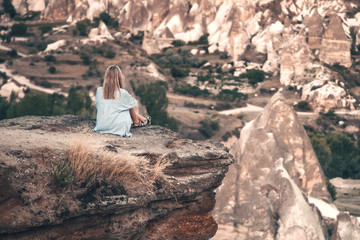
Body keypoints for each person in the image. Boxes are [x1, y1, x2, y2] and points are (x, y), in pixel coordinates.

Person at [93, 65, 150, 137]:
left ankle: (142, 119)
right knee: (126, 106)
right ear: (119, 77)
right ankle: (138, 122)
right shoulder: (122, 93)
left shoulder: (99, 91)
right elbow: (131, 107)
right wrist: (136, 121)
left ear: (106, 77)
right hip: (118, 128)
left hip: (101, 126)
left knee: (122, 106)